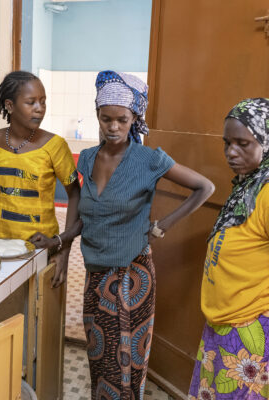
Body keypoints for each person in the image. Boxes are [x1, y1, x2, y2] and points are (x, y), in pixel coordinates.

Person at [33, 70, 215, 399]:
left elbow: (205, 187)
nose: (113, 127)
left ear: (134, 119)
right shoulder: (87, 159)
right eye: (106, 119)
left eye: (122, 119)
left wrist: (164, 225)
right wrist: (59, 242)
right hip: (95, 275)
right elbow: (87, 218)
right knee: (100, 359)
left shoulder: (149, 159)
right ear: (97, 116)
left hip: (131, 277)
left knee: (125, 366)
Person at [188, 98, 269, 400]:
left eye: (243, 143)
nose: (231, 152)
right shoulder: (248, 186)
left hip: (249, 325)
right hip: (222, 320)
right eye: (227, 143)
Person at [0, 71, 80, 285]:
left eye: (43, 101)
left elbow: (75, 195)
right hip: (0, 245)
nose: (40, 108)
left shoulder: (55, 145)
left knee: (38, 311)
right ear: (10, 106)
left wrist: (64, 249)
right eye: (31, 102)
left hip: (42, 247)